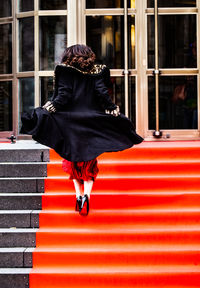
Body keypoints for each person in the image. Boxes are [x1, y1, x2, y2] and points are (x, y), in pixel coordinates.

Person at [21, 44, 143, 216]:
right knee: (89, 163)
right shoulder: (99, 70)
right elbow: (102, 93)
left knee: (72, 162)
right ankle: (87, 195)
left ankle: (79, 196)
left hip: (70, 123)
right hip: (91, 122)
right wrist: (111, 107)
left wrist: (49, 107)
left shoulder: (64, 70)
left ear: (69, 55)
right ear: (88, 56)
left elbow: (63, 95)